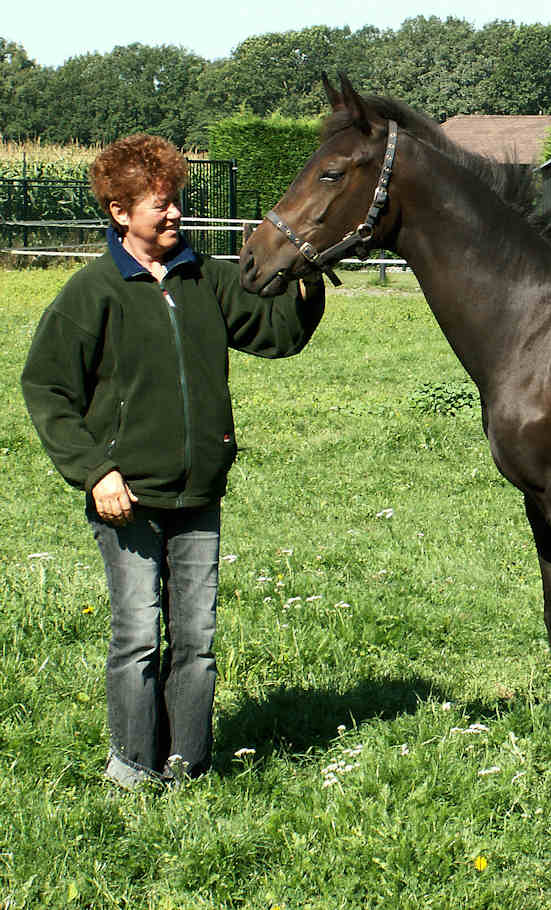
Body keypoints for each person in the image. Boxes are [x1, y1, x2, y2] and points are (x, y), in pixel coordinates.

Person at [21, 134, 325, 789]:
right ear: (119, 212)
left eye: (177, 201)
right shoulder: (93, 290)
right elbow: (45, 386)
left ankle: (186, 763)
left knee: (197, 642)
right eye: (161, 204)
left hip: (199, 495)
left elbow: (276, 335)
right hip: (125, 499)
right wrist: (94, 471)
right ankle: (132, 767)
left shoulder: (206, 279)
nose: (176, 214)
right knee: (136, 639)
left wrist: (304, 285)